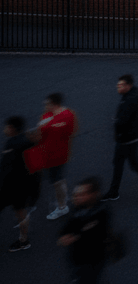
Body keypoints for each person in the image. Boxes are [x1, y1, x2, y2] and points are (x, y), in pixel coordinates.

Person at [100, 75, 138, 203]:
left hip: (127, 139)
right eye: (118, 84)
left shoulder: (129, 100)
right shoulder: (134, 93)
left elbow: (122, 121)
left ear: (128, 86)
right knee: (120, 163)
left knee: (133, 164)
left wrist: (117, 125)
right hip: (131, 137)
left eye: (121, 85)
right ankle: (114, 191)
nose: (118, 86)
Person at [32, 92, 78, 220]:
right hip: (47, 153)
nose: (44, 106)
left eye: (46, 104)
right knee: (53, 178)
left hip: (56, 156)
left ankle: (62, 207)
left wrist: (50, 127)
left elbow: (69, 132)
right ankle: (62, 199)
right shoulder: (48, 115)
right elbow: (41, 135)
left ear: (54, 104)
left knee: (57, 181)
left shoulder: (65, 116)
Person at [57, 176, 110, 283]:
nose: (77, 197)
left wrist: (74, 237)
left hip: (92, 260)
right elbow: (69, 225)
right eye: (76, 194)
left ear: (94, 194)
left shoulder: (101, 212)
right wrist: (64, 235)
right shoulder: (78, 208)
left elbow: (94, 234)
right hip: (77, 258)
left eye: (82, 194)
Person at [2, 115, 39, 253]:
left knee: (19, 212)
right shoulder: (26, 141)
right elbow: (36, 169)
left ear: (12, 128)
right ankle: (23, 240)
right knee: (20, 211)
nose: (4, 129)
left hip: (12, 187)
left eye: (6, 126)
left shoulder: (13, 144)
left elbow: (6, 169)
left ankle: (24, 240)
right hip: (20, 188)